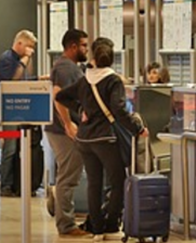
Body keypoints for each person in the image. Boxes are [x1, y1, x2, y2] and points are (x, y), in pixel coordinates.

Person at [57, 37, 145, 242]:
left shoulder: (85, 78)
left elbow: (61, 96)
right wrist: (138, 127)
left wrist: (81, 111)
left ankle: (97, 229)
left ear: (94, 57)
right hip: (106, 139)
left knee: (94, 185)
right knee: (118, 181)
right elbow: (119, 109)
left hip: (85, 139)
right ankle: (112, 225)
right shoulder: (113, 80)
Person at [45, 29, 90, 237]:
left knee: (68, 173)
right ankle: (66, 224)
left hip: (62, 128)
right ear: (72, 46)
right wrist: (68, 123)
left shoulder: (69, 67)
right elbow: (58, 96)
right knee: (69, 176)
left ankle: (59, 203)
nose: (86, 49)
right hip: (63, 130)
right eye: (83, 45)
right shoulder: (65, 68)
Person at [0, 29, 43, 197]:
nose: (31, 50)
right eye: (29, 46)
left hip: (21, 109)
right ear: (19, 44)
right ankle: (6, 185)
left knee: (19, 148)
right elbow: (11, 82)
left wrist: (39, 79)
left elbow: (23, 80)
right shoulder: (7, 59)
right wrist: (24, 61)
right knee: (9, 148)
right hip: (10, 109)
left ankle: (20, 184)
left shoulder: (18, 61)